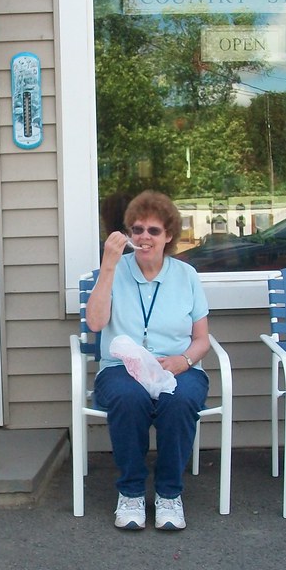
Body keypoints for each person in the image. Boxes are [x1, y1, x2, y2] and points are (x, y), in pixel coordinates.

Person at [86, 190, 211, 531]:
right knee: (129, 398)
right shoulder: (114, 269)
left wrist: (184, 361)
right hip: (121, 367)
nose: (144, 237)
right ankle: (131, 492)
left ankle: (169, 494)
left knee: (179, 399)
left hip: (176, 365)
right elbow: (95, 324)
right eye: (137, 229)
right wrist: (107, 267)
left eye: (153, 231)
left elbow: (202, 340)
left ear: (168, 236)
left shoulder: (186, 275)